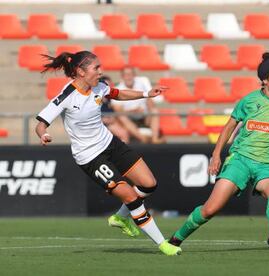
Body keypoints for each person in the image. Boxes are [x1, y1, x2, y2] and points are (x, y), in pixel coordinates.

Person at [35, 50, 181, 256]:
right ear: (80, 71)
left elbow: (117, 93)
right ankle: (162, 243)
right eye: (96, 68)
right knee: (131, 197)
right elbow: (41, 123)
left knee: (149, 184)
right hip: (91, 157)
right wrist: (44, 134)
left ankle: (121, 218)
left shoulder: (99, 87)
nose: (100, 71)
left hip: (111, 144)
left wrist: (147, 93)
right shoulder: (67, 95)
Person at [168, 53, 269, 248]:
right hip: (240, 160)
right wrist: (216, 154)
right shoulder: (248, 101)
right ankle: (175, 239)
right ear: (264, 80)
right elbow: (229, 126)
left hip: (268, 164)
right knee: (210, 209)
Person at [111, 67, 165, 144]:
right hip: (129, 119)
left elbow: (150, 101)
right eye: (126, 74)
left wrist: (149, 109)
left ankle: (154, 139)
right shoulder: (118, 89)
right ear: (122, 76)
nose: (128, 77)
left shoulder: (142, 84)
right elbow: (117, 110)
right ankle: (143, 138)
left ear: (134, 75)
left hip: (144, 117)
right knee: (121, 116)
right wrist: (132, 111)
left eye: (130, 74)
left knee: (154, 111)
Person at [99, 75, 130, 144]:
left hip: (113, 122)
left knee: (125, 129)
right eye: (106, 86)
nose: (108, 88)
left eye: (110, 85)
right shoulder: (95, 100)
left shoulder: (111, 100)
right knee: (124, 134)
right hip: (103, 125)